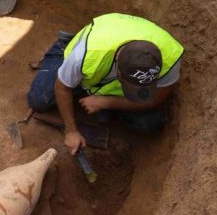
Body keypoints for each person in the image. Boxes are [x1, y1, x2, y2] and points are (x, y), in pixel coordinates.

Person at [26, 13, 184, 155]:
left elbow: (156, 98)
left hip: (103, 84)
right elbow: (63, 88)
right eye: (128, 84)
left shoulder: (169, 57)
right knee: (38, 100)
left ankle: (104, 105)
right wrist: (71, 131)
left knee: (150, 122)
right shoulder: (85, 55)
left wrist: (107, 102)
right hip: (82, 61)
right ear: (118, 70)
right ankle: (61, 48)